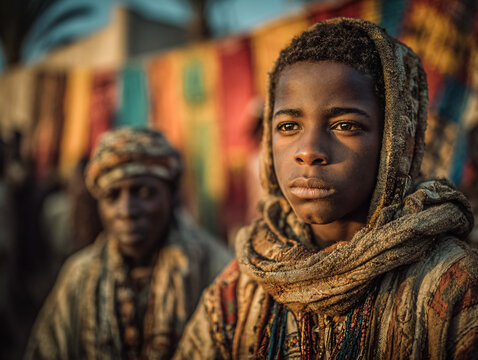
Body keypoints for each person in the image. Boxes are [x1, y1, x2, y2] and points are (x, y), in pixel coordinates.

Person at [174, 18, 478, 359]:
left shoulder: (453, 282)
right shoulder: (241, 286)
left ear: (395, 139)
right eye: (288, 125)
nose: (308, 151)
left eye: (345, 125)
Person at [25, 127, 232, 359]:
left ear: (171, 195)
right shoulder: (79, 277)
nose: (127, 211)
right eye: (113, 196)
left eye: (144, 193)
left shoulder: (217, 271)